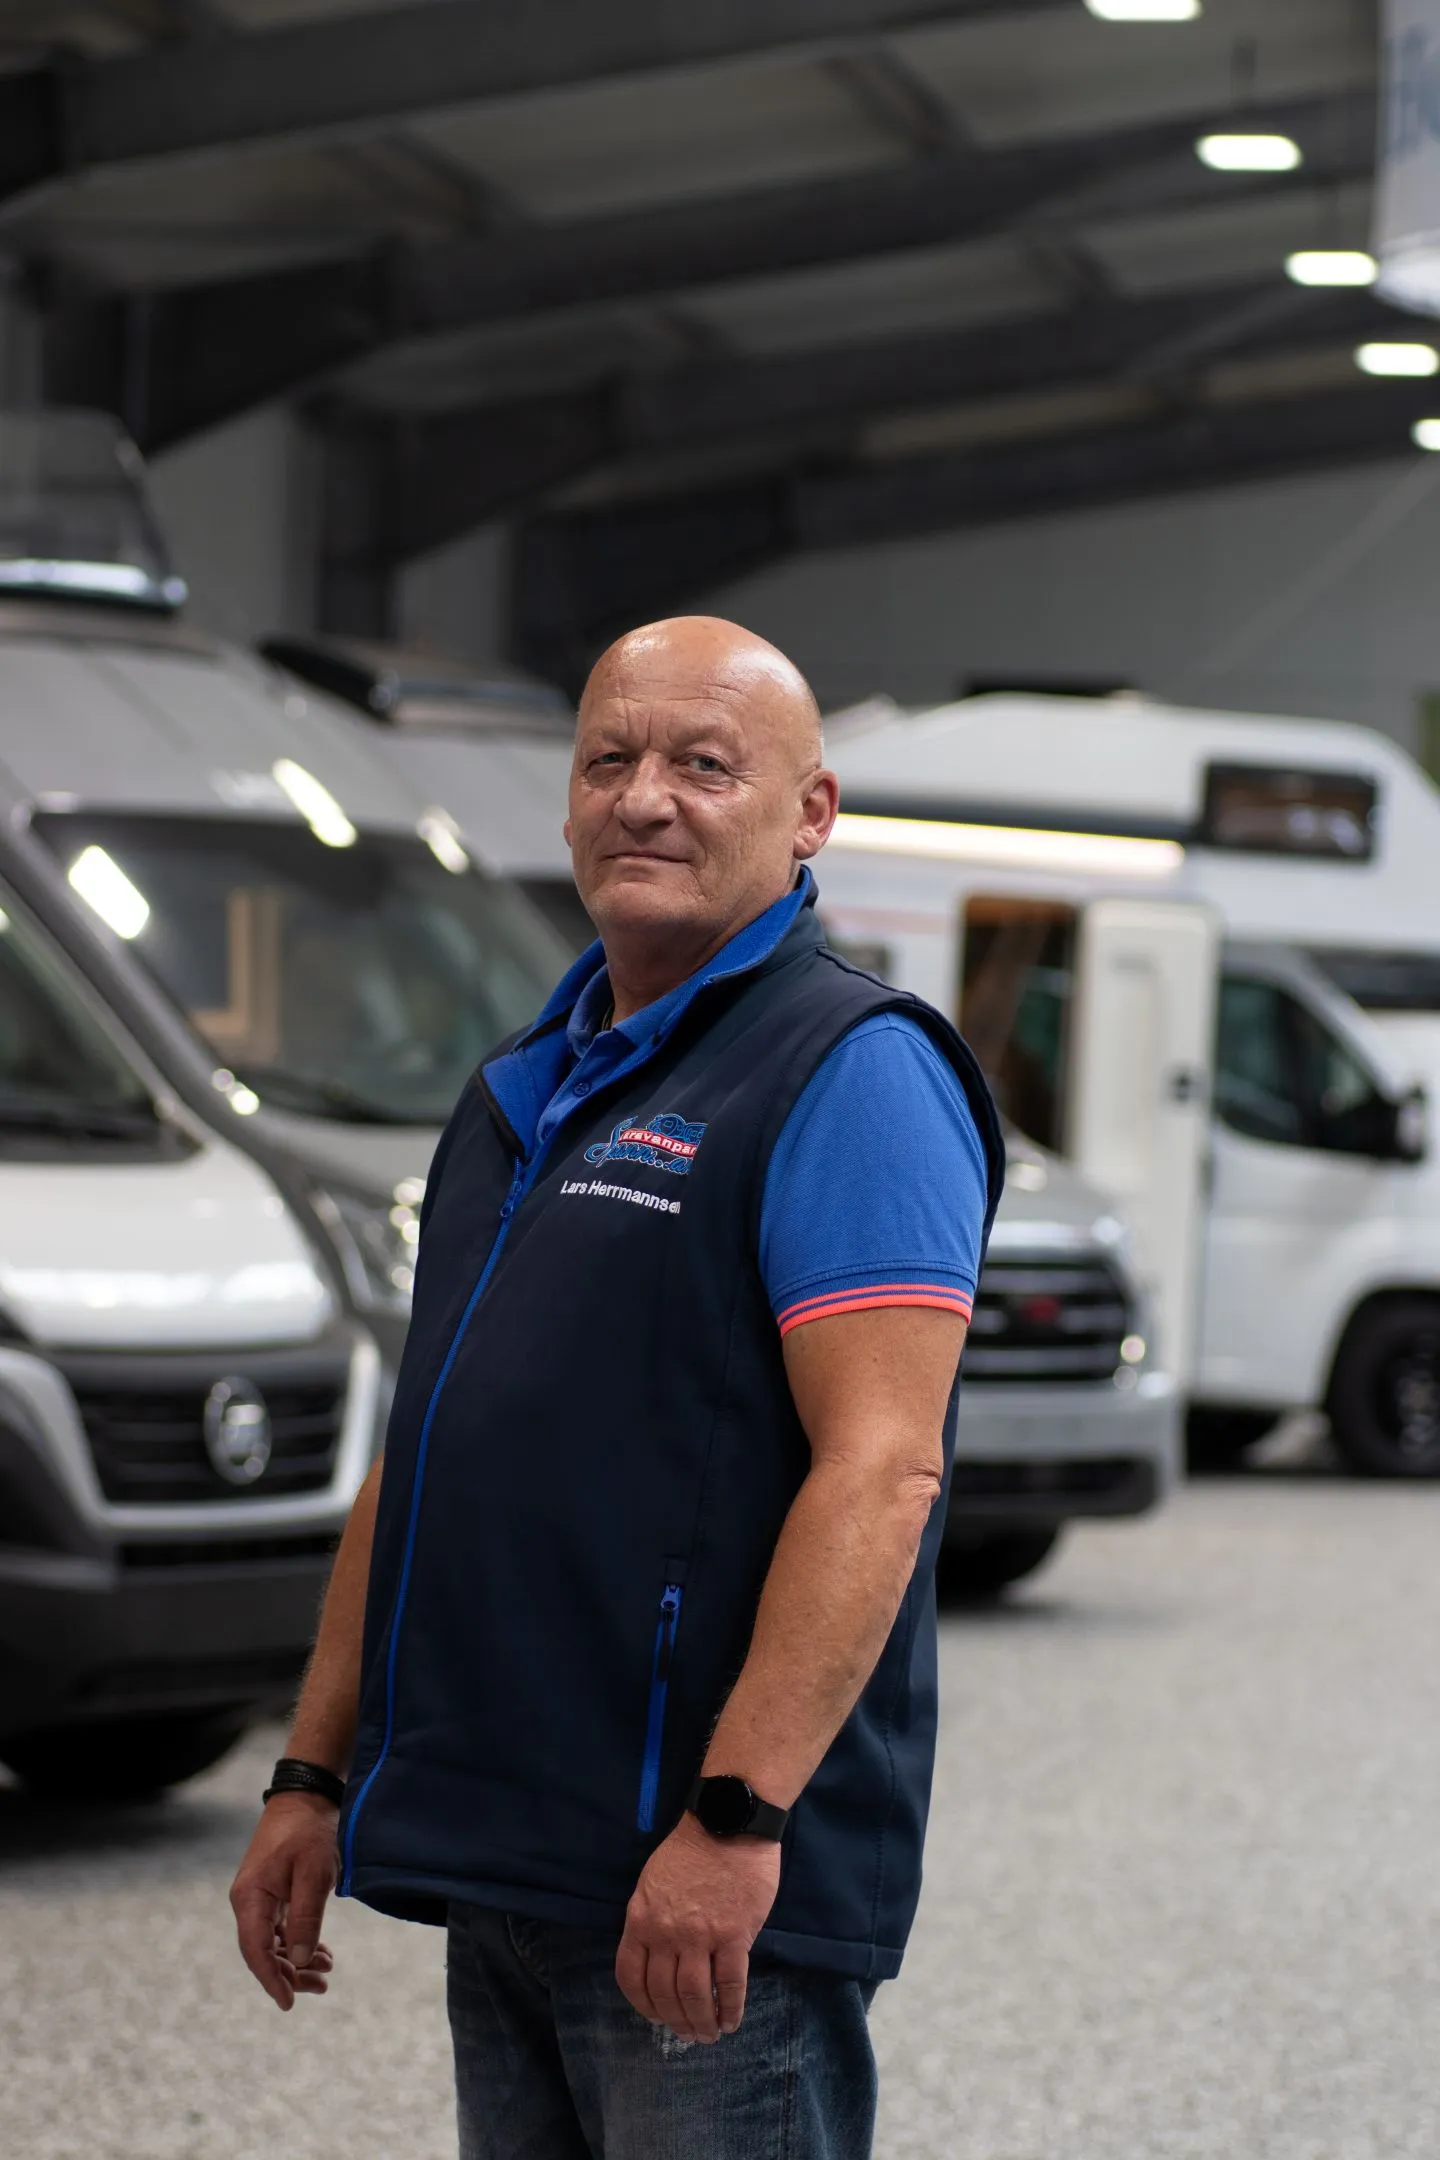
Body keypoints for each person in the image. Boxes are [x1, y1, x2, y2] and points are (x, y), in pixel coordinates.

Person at [230, 616, 1003, 2159]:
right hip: (509, 1865)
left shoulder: (851, 1071)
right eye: (610, 761)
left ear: (811, 812)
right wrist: (312, 1772)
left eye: (706, 765)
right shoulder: (521, 1089)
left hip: (699, 1885)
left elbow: (884, 1472)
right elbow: (426, 1451)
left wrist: (737, 1818)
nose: (645, 798)